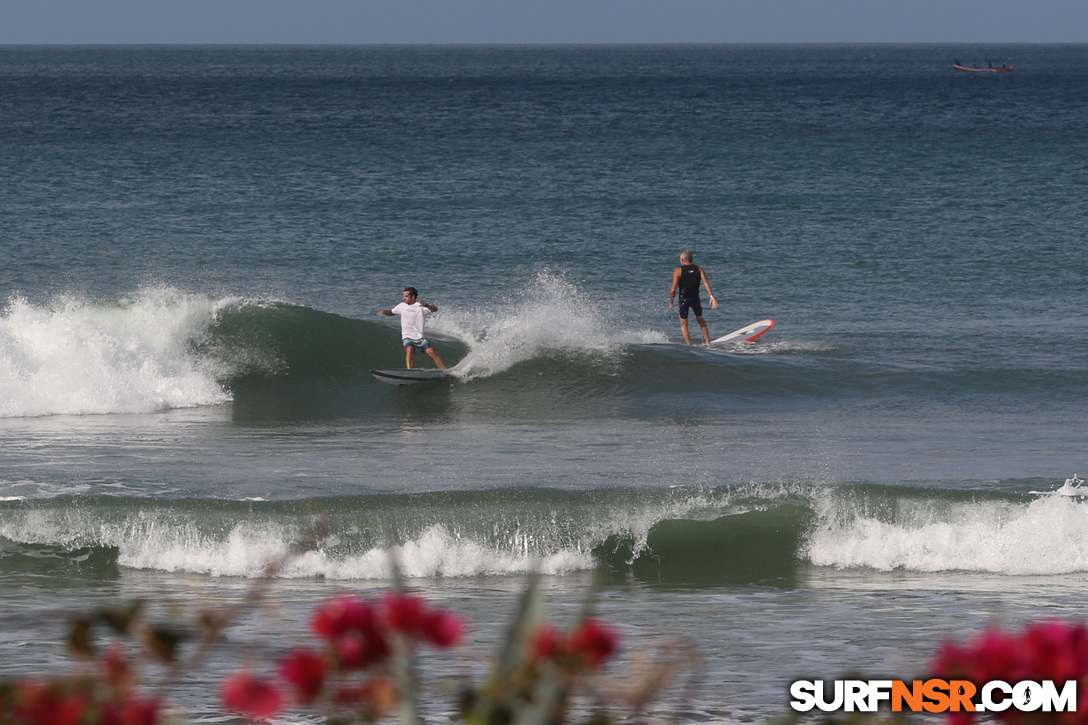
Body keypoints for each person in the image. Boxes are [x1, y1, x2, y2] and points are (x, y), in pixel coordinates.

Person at [377, 287, 447, 369]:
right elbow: (391, 312)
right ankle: (409, 371)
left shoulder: (421, 307)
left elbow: (435, 309)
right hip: (407, 336)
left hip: (419, 337)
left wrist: (426, 305)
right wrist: (384, 312)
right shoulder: (401, 306)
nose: (404, 298)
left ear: (413, 297)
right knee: (409, 349)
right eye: (404, 296)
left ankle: (446, 371)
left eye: (406, 296)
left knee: (431, 352)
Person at [668, 250, 718, 345]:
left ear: (682, 260)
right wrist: (711, 296)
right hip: (695, 299)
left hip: (683, 300)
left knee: (684, 324)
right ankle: (708, 343)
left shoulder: (678, 271)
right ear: (691, 259)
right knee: (700, 319)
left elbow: (673, 289)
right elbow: (706, 283)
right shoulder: (699, 269)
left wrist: (671, 302)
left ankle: (689, 345)